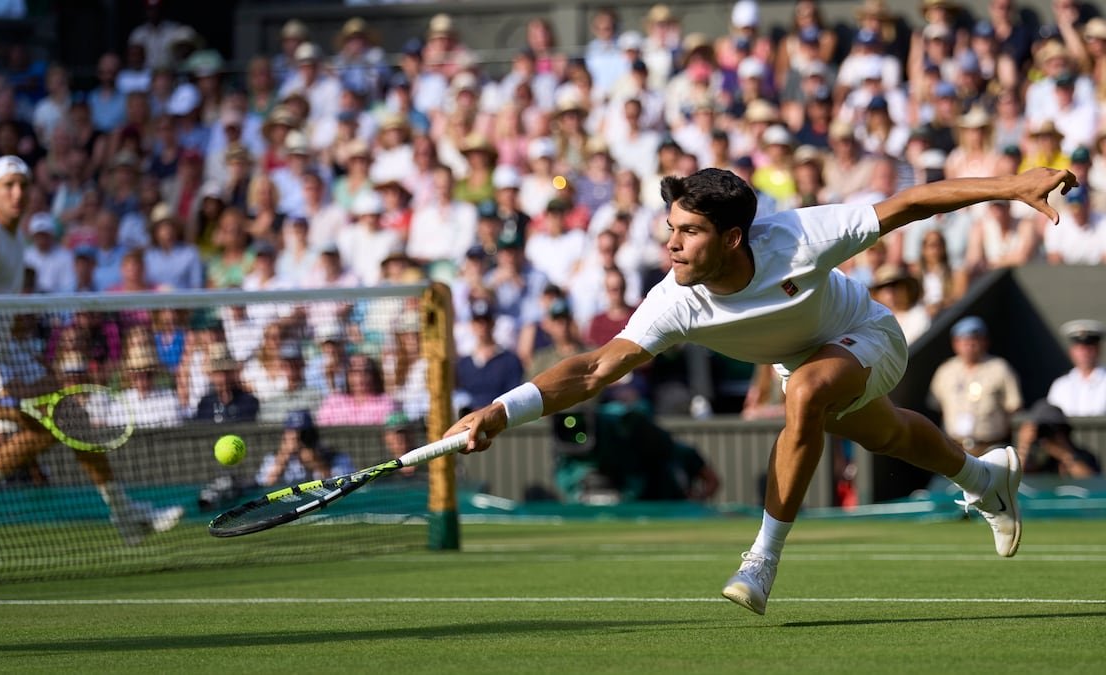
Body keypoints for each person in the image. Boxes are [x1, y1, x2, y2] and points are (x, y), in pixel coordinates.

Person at [447, 165, 1077, 615]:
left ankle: (761, 559)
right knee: (888, 434)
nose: (671, 243)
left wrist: (1013, 185)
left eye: (688, 231)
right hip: (802, 361)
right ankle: (984, 479)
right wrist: (501, 410)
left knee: (803, 395)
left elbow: (911, 203)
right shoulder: (674, 301)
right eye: (670, 227)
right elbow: (590, 372)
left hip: (867, 333)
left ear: (733, 237)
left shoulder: (802, 238)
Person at [0, 156, 183, 552]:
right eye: (8, 185)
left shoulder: (15, 237)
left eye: (23, 185)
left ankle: (124, 512)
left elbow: (0, 310)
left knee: (70, 413)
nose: (17, 193)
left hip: (1, 351)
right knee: (51, 422)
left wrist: (32, 358)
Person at [929, 316, 1023, 456]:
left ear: (985, 342)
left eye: (975, 339)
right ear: (955, 343)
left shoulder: (1000, 368)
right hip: (955, 447)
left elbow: (1014, 408)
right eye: (964, 340)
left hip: (991, 447)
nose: (970, 345)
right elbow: (936, 405)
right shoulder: (945, 370)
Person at [257, 409, 354, 487]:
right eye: (293, 433)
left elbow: (345, 484)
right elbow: (263, 485)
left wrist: (317, 464)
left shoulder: (331, 456)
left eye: (303, 434)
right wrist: (282, 458)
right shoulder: (273, 458)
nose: (298, 439)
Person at [1015, 399, 1101, 478]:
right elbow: (1018, 479)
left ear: (1063, 431)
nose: (1046, 434)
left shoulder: (1085, 456)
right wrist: (1023, 446)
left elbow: (1090, 481)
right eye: (1041, 429)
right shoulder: (1038, 458)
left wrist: (1064, 455)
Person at [1046, 319, 1106, 417]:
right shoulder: (1061, 385)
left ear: (1098, 349)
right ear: (1072, 351)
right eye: (1080, 349)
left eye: (1089, 348)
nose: (1085, 353)